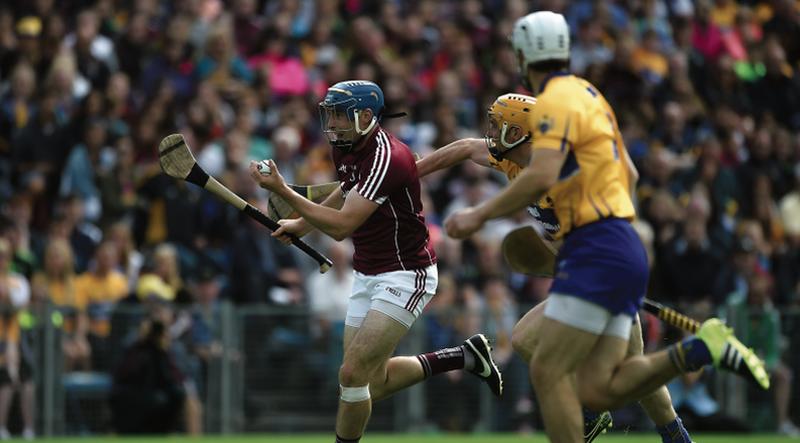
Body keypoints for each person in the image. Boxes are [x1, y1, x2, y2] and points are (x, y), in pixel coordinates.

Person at [444, 11, 768, 443]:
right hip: (610, 245)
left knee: (548, 366)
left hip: (599, 249)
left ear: (526, 55)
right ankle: (694, 355)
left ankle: (692, 357)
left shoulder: (553, 104)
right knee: (606, 385)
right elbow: (629, 174)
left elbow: (540, 175)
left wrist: (477, 215)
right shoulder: (588, 94)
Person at [417, 92, 694, 442]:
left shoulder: (563, 175)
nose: (491, 130)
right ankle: (606, 416)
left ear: (516, 134)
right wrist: (414, 171)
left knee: (630, 374)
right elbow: (465, 147)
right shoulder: (510, 160)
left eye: (498, 124)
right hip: (583, 276)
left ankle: (637, 425)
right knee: (535, 343)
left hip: (607, 272)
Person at [250, 80, 502, 443]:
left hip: (405, 274)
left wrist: (282, 190)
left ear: (366, 116)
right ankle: (463, 356)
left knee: (352, 376)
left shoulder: (389, 157)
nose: (332, 123)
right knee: (370, 382)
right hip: (368, 271)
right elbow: (348, 188)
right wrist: (303, 224)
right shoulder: (346, 145)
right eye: (330, 115)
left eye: (340, 115)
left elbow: (341, 226)